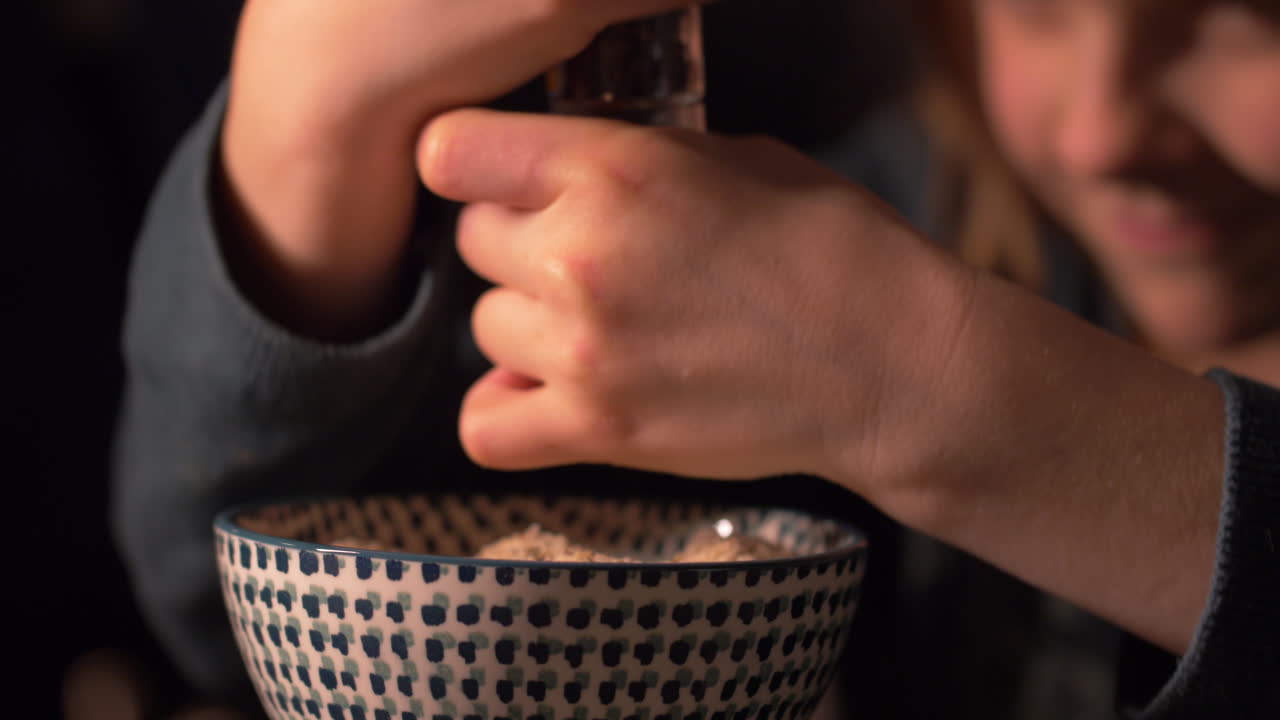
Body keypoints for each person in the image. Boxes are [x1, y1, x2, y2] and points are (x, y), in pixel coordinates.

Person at [112, 0, 1280, 717]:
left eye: (1239, 12)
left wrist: (937, 388)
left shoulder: (888, 291)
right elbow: (242, 622)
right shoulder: (910, 213)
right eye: (1034, 7)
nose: (1101, 127)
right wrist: (303, 143)